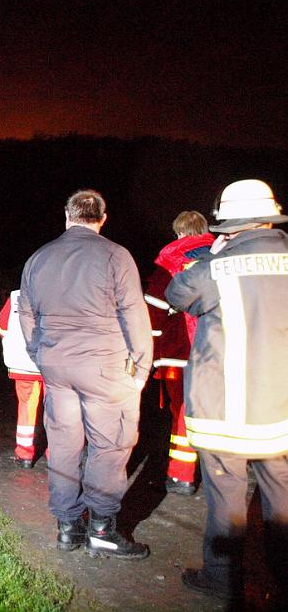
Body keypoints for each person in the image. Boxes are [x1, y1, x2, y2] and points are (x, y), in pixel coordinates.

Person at [165, 179, 288, 602]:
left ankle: (222, 577)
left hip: (227, 409)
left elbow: (178, 294)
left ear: (230, 226)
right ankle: (283, 574)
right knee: (283, 497)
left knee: (227, 500)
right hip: (281, 411)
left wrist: (215, 253)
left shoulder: (219, 266)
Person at [19, 189, 153, 558]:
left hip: (57, 367)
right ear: (102, 219)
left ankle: (67, 527)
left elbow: (27, 316)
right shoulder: (115, 256)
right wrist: (141, 368)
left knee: (63, 445)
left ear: (67, 216)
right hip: (105, 368)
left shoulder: (38, 258)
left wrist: (40, 355)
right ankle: (101, 528)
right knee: (109, 445)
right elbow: (134, 313)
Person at [144, 211, 214, 495]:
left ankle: (182, 474)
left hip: (180, 350)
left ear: (179, 233)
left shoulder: (171, 260)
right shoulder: (222, 255)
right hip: (220, 348)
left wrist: (146, 351)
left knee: (183, 410)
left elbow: (154, 309)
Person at [0, 290, 45, 469]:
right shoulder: (60, 291)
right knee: (56, 408)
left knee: (26, 407)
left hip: (23, 364)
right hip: (53, 364)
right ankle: (57, 454)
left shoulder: (14, 297)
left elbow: (3, 327)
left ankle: (25, 453)